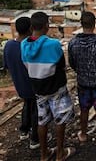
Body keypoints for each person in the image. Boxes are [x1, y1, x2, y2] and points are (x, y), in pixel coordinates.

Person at [21, 11, 76, 161]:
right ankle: (60, 153)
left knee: (42, 121)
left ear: (32, 27)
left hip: (38, 89)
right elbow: (61, 65)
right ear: (47, 26)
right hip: (56, 87)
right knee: (60, 119)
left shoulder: (24, 45)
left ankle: (44, 154)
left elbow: (27, 66)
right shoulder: (53, 44)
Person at [68, 11, 96, 146]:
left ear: (81, 24)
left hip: (83, 83)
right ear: (94, 24)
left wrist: (81, 72)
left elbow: (72, 63)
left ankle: (83, 134)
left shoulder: (73, 43)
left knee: (84, 109)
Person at [3, 16, 39, 149]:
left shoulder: (9, 46)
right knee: (36, 110)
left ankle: (24, 130)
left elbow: (6, 66)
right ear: (31, 28)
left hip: (20, 85)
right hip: (33, 86)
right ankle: (35, 139)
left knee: (27, 104)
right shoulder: (30, 47)